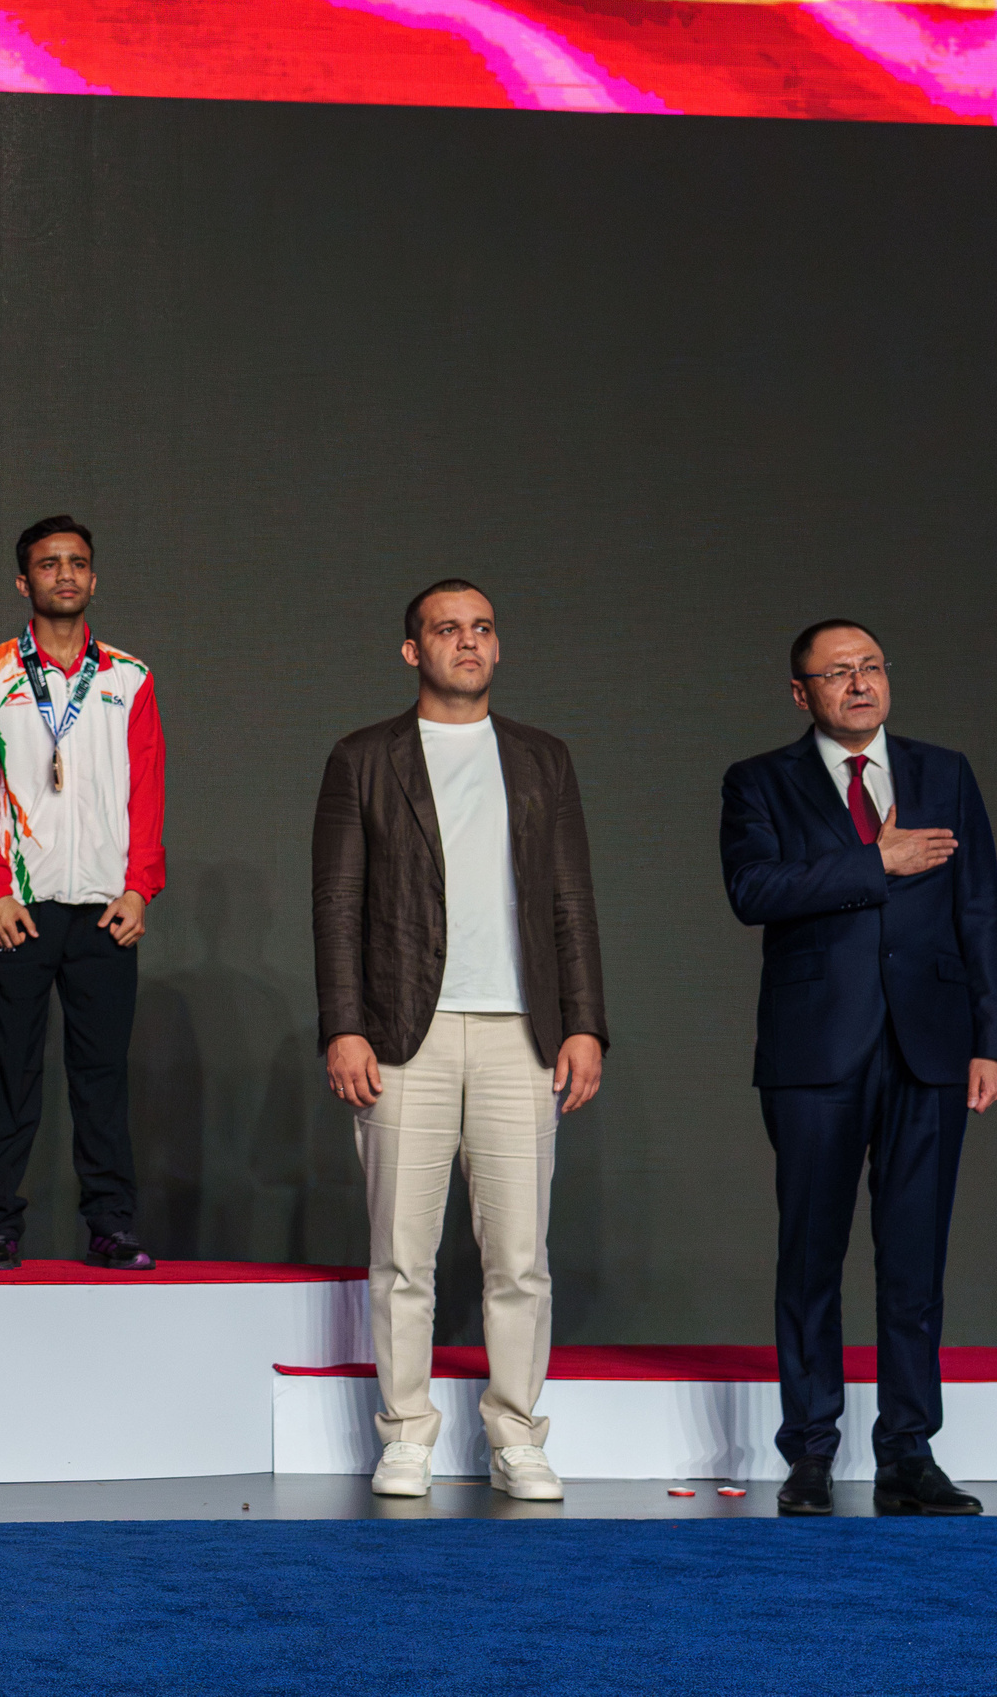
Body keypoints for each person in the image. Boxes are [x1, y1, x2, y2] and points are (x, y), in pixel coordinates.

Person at [311, 580, 606, 1502]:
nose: (467, 642)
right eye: (447, 629)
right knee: (404, 1254)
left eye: (482, 628)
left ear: (498, 646)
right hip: (404, 1033)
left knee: (519, 1255)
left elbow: (570, 899)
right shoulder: (364, 757)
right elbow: (337, 903)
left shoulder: (541, 758)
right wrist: (344, 1025)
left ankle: (518, 1434)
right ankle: (406, 1435)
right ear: (414, 651)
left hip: (525, 1033)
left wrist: (586, 1023)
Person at [719, 619, 997, 1518]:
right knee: (810, 1254)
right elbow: (753, 892)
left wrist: (992, 1037)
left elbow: (981, 909)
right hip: (815, 1051)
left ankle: (907, 1454)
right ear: (800, 692)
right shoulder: (759, 781)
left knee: (915, 1260)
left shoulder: (945, 773)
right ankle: (809, 1452)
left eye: (872, 667)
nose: (859, 684)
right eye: (837, 672)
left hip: (929, 1045)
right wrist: (871, 861)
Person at [0, 515, 166, 1271]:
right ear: (23, 581)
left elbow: (149, 793)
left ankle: (112, 1224)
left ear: (94, 577)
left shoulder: (129, 676)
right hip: (20, 910)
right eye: (48, 564)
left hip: (107, 909)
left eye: (77, 563)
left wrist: (141, 888)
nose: (64, 574)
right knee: (9, 1073)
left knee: (102, 1077)